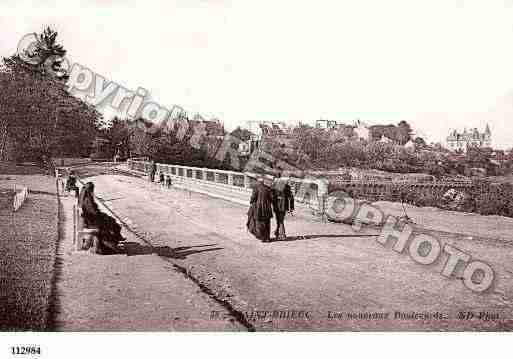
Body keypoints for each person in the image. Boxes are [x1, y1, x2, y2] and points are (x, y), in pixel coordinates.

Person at [79, 182, 124, 253]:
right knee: (110, 223)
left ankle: (116, 238)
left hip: (90, 220)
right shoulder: (88, 200)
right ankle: (114, 241)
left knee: (111, 220)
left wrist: (101, 214)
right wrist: (101, 215)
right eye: (93, 190)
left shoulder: (85, 198)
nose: (93, 192)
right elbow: (94, 213)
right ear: (90, 190)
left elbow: (94, 211)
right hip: (92, 222)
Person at [247, 176, 274, 242]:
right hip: (267, 208)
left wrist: (251, 202)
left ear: (258, 182)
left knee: (260, 222)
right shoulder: (268, 188)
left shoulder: (256, 188)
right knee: (267, 222)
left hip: (259, 208)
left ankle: (262, 237)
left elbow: (253, 198)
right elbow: (272, 198)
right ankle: (267, 237)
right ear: (263, 182)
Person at [272, 174, 295, 240]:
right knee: (280, 220)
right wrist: (290, 208)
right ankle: (278, 232)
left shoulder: (274, 186)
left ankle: (282, 235)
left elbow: (272, 196)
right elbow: (290, 197)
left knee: (280, 220)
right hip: (283, 206)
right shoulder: (286, 187)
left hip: (277, 206)